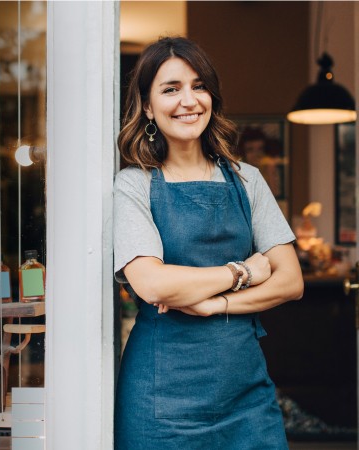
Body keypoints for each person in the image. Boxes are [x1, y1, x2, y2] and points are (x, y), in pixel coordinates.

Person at [113, 36, 303, 449]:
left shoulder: (247, 178)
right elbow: (152, 285)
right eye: (171, 89)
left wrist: (216, 304)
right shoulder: (133, 184)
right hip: (161, 399)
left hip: (245, 397)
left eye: (199, 86)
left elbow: (290, 281)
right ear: (147, 105)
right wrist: (245, 271)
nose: (189, 100)